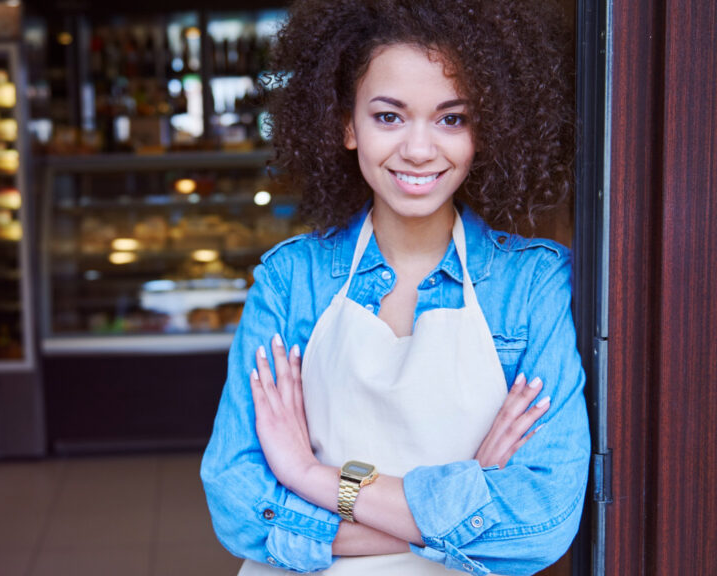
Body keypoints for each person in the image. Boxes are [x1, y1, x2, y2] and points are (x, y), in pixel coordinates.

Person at [201, 1, 590, 574]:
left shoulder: (532, 286)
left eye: (451, 118)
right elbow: (237, 507)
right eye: (389, 117)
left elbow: (544, 520)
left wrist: (311, 477)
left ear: (486, 129)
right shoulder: (291, 281)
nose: (418, 149)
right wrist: (464, 494)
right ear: (346, 125)